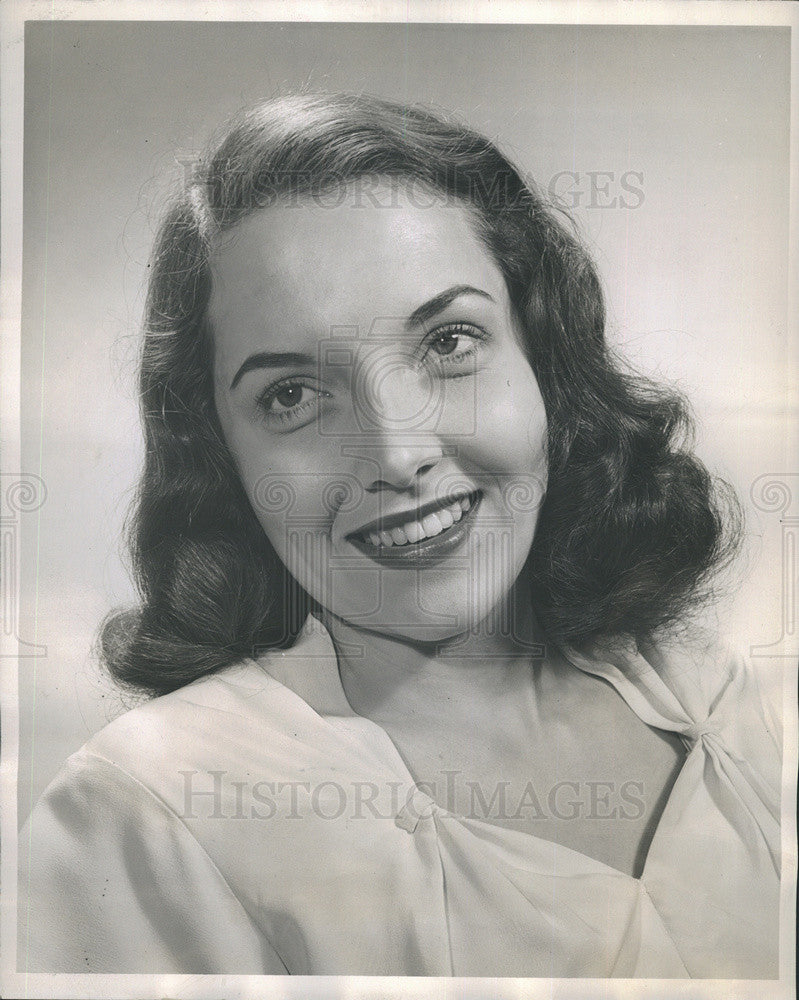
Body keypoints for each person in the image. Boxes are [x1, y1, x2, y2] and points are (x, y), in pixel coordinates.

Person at [19, 93, 780, 977]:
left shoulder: (716, 694)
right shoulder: (145, 814)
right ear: (221, 458)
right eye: (293, 396)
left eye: (449, 342)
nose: (397, 452)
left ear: (544, 358)